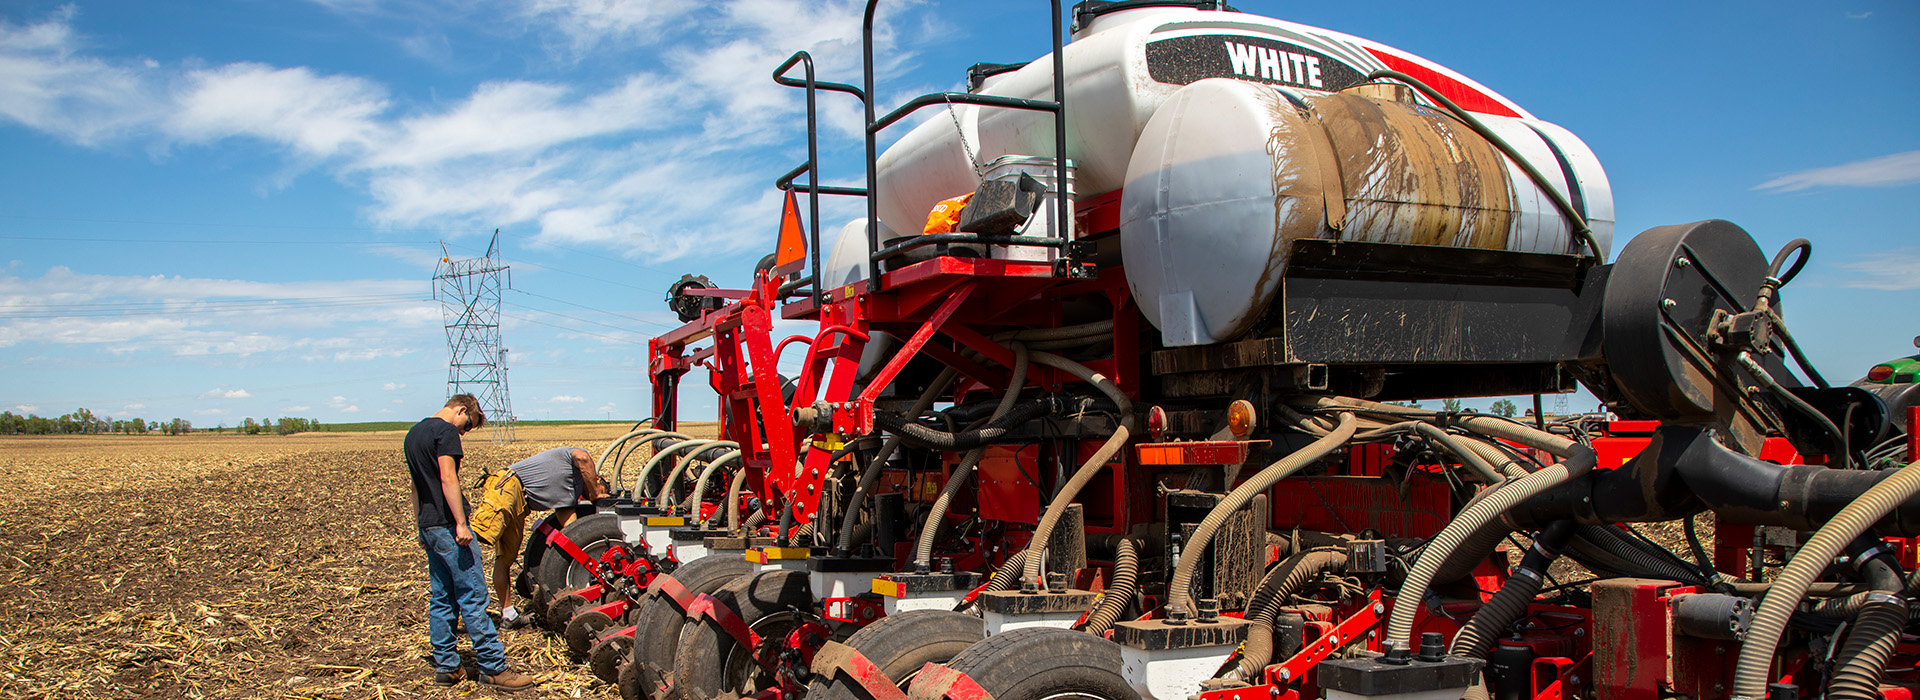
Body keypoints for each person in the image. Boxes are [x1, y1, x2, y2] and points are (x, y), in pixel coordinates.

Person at [403, 394, 535, 691]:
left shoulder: (414, 433)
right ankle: (494, 668)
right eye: (467, 425)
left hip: (429, 525)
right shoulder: (445, 431)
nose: (463, 432)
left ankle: (447, 667)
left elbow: (415, 485)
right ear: (462, 409)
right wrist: (462, 523)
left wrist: (420, 526)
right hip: (449, 527)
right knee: (473, 597)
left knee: (441, 598)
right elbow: (448, 478)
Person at [472, 446, 611, 628]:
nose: (590, 494)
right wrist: (597, 494)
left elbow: (573, 530)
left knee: (505, 558)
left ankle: (508, 615)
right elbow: (583, 457)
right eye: (599, 485)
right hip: (507, 489)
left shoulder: (569, 492)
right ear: (596, 477)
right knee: (470, 542)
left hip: (518, 499)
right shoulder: (574, 463)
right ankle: (472, 613)